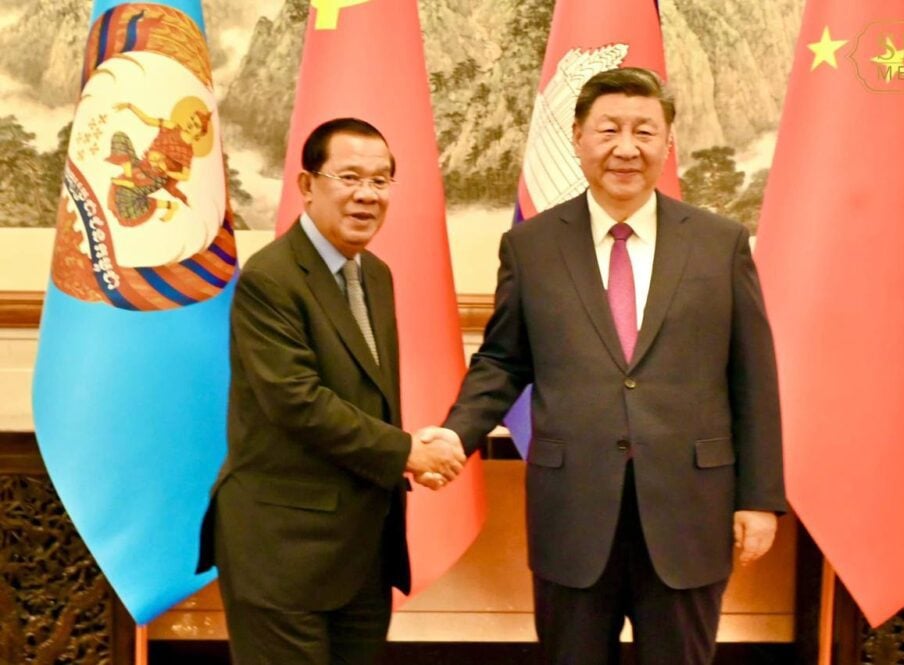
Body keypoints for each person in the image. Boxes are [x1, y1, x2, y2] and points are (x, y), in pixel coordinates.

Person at [440, 68, 786, 664]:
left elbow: (753, 379)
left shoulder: (719, 243)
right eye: (608, 130)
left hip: (688, 514)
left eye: (644, 131)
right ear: (578, 137)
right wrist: (455, 433)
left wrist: (759, 498)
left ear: (667, 143)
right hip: (572, 513)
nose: (626, 148)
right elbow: (502, 360)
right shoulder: (532, 246)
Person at [196, 118, 465, 665]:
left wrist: (411, 453)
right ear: (306, 185)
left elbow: (366, 399)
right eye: (349, 177)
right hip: (282, 548)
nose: (367, 195)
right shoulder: (270, 278)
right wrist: (408, 452)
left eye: (381, 180)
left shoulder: (377, 276)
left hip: (362, 548)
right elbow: (298, 401)